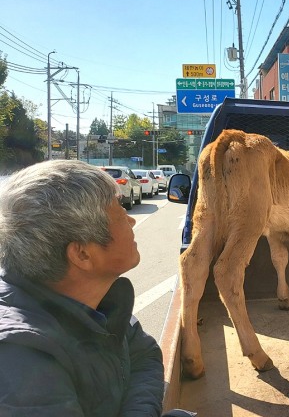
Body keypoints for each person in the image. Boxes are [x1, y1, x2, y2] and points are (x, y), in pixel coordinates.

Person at [0, 160, 194, 417]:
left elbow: (144, 355)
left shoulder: (98, 302)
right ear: (82, 254)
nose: (131, 221)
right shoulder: (23, 359)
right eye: (120, 213)